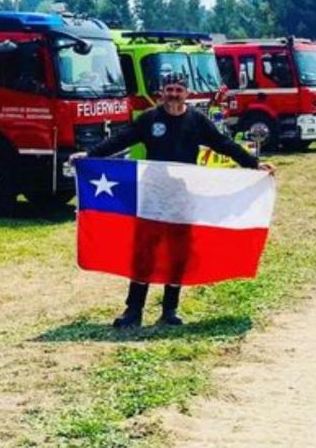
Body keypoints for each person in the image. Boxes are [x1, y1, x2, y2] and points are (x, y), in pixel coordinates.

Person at [71, 72, 275, 328]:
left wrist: (253, 164)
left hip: (182, 197)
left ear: (187, 93)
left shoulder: (197, 121)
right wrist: (89, 156)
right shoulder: (149, 119)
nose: (174, 94)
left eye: (179, 89)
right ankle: (133, 311)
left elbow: (223, 143)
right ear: (161, 92)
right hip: (152, 197)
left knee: (177, 254)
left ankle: (170, 311)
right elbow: (120, 140)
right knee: (144, 254)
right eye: (169, 89)